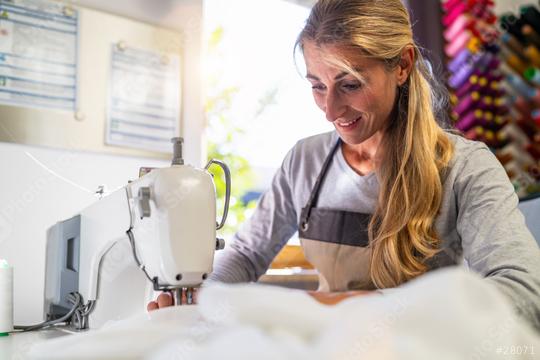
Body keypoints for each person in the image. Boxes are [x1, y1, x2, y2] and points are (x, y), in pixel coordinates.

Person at [148, 0, 540, 330]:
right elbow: (247, 255)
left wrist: (353, 307)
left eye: (350, 84)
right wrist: (203, 298)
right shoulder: (305, 161)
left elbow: (524, 296)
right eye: (317, 85)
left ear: (402, 66)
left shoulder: (466, 168)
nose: (330, 110)